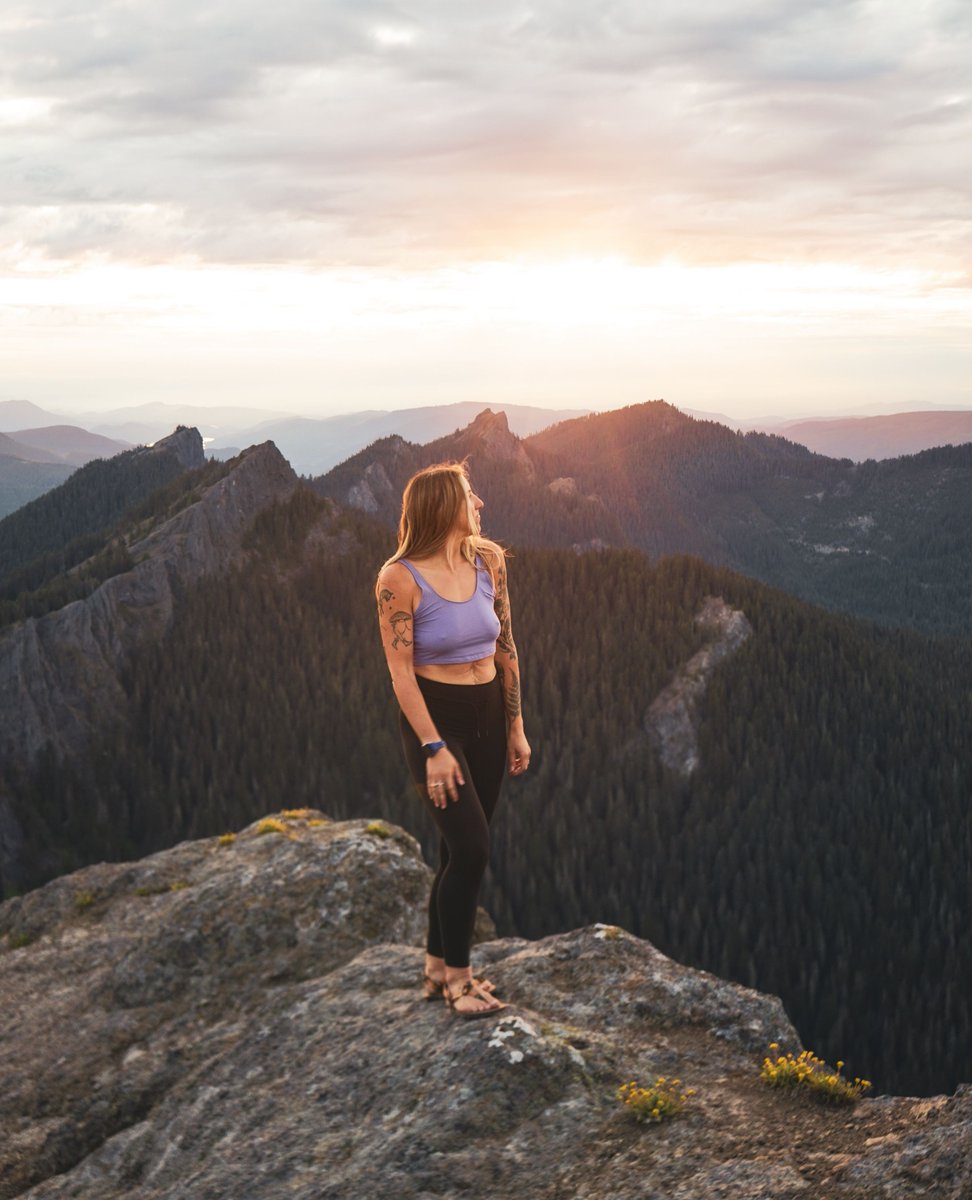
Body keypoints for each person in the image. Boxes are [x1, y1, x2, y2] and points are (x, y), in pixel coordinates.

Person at [375, 461, 531, 1019]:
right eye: (469, 494)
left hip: (489, 711)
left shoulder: (488, 561)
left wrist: (515, 725)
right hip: (436, 721)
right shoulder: (398, 578)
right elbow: (399, 674)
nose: (479, 502)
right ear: (445, 505)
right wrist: (432, 747)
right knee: (471, 848)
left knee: (454, 848)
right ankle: (461, 983)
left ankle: (437, 965)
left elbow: (506, 645)